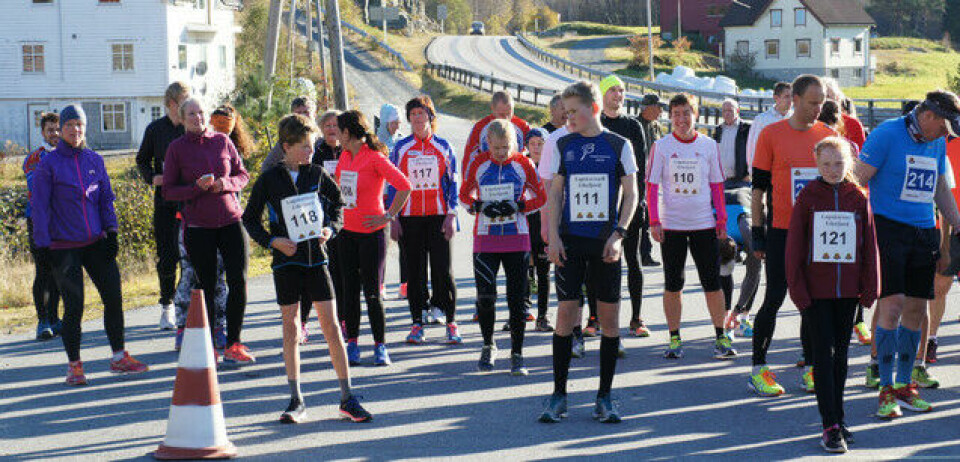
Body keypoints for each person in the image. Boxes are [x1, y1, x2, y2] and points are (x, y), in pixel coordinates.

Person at [243, 113, 371, 424]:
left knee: (331, 327)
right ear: (286, 147)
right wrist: (273, 241)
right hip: (286, 263)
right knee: (291, 329)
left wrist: (331, 229)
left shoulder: (317, 174)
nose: (310, 152)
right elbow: (249, 218)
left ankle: (347, 396)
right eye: (304, 146)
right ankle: (296, 399)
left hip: (317, 261)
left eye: (312, 146)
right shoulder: (270, 179)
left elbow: (339, 205)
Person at [853, 90, 960, 418]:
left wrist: (958, 224)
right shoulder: (887, 134)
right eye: (944, 127)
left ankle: (904, 385)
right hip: (888, 229)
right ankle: (885, 388)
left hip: (924, 230)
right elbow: (857, 181)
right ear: (928, 115)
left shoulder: (937, 141)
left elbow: (940, 187)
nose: (947, 134)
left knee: (916, 310)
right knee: (893, 307)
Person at [539, 81, 638, 424]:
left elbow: (631, 193)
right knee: (566, 314)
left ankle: (604, 396)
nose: (568, 119)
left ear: (592, 108)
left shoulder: (618, 144)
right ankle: (558, 395)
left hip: (605, 243)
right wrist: (553, 237)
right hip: (571, 241)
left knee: (609, 321)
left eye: (573, 113)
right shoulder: (562, 144)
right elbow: (554, 194)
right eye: (564, 114)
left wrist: (619, 234)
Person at [31, 104, 149, 385]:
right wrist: (43, 246)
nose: (75, 130)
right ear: (61, 130)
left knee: (114, 297)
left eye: (80, 124)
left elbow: (106, 198)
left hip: (96, 241)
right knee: (75, 306)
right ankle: (75, 366)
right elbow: (39, 207)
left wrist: (112, 230)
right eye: (69, 124)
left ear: (86, 128)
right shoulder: (48, 164)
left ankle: (119, 356)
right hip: (63, 246)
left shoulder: (95, 160)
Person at [786, 137, 879, 453]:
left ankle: (839, 417)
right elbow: (794, 248)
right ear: (816, 164)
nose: (832, 169)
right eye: (826, 164)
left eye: (838, 163)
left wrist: (870, 288)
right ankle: (829, 425)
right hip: (816, 293)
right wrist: (798, 290)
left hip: (847, 293)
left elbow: (869, 244)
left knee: (841, 357)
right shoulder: (808, 197)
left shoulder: (857, 197)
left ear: (849, 164)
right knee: (822, 357)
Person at [749, 75, 835, 396]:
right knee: (774, 298)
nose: (818, 108)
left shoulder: (826, 136)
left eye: (822, 102)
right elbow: (757, 190)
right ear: (795, 99)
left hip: (817, 233)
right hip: (782, 231)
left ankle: (811, 368)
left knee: (811, 302)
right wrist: (758, 233)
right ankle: (758, 369)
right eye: (813, 102)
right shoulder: (771, 135)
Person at [163, 98, 252, 364]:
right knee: (208, 286)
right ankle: (210, 346)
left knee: (238, 281)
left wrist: (225, 183)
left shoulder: (223, 141)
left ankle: (234, 343)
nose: (197, 117)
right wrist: (195, 188)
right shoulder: (176, 149)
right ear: (181, 118)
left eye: (201, 112)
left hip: (230, 220)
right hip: (198, 226)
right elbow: (168, 190)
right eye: (191, 113)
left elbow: (243, 175)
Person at [647, 93, 732, 360]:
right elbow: (652, 187)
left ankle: (721, 336)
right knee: (673, 284)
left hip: (703, 224)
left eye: (686, 113)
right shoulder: (661, 146)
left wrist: (721, 220)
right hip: (672, 225)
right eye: (676, 114)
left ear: (695, 115)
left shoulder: (709, 145)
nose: (681, 119)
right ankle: (674, 338)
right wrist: (654, 220)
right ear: (670, 117)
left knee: (712, 282)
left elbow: (717, 185)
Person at [460, 119, 547, 375]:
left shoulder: (523, 163)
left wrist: (519, 207)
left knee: (516, 300)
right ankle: (488, 344)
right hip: (485, 239)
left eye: (506, 147)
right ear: (488, 143)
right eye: (496, 148)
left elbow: (541, 197)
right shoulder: (479, 163)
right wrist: (477, 206)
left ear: (515, 144)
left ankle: (517, 353)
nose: (501, 153)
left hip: (516, 238)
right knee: (486, 298)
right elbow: (464, 195)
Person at [335, 110, 411, 366]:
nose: (336, 134)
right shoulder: (344, 156)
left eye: (338, 130)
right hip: (346, 233)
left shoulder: (375, 157)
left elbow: (404, 185)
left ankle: (380, 346)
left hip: (372, 233)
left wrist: (388, 215)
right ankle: (353, 344)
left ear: (348, 133)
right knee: (349, 291)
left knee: (372, 292)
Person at [388, 96, 459, 345]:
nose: (418, 118)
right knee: (415, 273)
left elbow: (453, 183)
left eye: (422, 113)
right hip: (410, 218)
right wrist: (392, 217)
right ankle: (417, 323)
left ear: (431, 116)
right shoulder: (400, 148)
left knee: (443, 271)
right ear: (409, 119)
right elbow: (392, 185)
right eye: (413, 114)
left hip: (438, 216)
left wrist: (451, 214)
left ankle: (451, 322)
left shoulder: (444, 146)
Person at [817, 100, 873, 347]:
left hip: (845, 212)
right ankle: (858, 322)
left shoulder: (846, 145)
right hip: (833, 216)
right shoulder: (821, 147)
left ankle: (854, 322)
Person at [598, 75, 650, 338]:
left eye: (621, 90)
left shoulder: (633, 126)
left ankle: (636, 317)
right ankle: (595, 319)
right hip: (600, 206)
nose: (618, 94)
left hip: (629, 205)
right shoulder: (597, 124)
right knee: (598, 263)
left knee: (634, 262)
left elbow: (640, 168)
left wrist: (640, 201)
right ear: (603, 95)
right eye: (612, 90)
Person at [136, 81, 190, 330]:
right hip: (166, 202)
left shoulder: (192, 128)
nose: (187, 107)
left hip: (192, 202)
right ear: (170, 104)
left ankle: (187, 304)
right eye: (183, 102)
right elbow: (142, 161)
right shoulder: (155, 129)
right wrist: (152, 178)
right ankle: (166, 306)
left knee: (190, 256)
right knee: (167, 256)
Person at [712, 99, 760, 337]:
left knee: (755, 259)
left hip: (743, 190)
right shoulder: (719, 130)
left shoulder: (745, 226)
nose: (727, 114)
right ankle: (726, 318)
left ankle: (742, 314)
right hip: (723, 193)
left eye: (731, 110)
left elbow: (756, 264)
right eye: (725, 111)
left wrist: (741, 308)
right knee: (723, 271)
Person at [23, 112, 62, 341]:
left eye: (57, 129)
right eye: (50, 130)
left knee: (60, 271)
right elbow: (37, 187)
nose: (55, 134)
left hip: (62, 221)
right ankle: (43, 320)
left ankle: (56, 319)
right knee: (43, 270)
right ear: (42, 132)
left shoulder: (68, 155)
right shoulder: (34, 158)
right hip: (38, 220)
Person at [524, 128, 554, 332]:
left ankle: (543, 316)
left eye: (540, 143)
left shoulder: (553, 167)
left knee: (543, 273)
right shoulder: (520, 165)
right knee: (522, 272)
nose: (536, 147)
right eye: (532, 143)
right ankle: (521, 311)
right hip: (523, 224)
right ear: (526, 146)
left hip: (544, 226)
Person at [463, 91, 531, 177]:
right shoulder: (480, 127)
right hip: (487, 177)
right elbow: (469, 157)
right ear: (493, 109)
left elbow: (535, 154)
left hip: (514, 177)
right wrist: (467, 183)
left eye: (509, 113)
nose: (506, 118)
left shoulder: (523, 127)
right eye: (502, 114)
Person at [637, 94, 665, 267]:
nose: (661, 111)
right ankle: (641, 253)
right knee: (640, 218)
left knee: (647, 217)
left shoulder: (656, 127)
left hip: (652, 180)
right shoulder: (635, 125)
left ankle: (645, 254)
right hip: (637, 178)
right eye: (658, 106)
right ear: (648, 108)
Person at [746, 82, 793, 167]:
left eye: (792, 96)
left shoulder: (796, 119)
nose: (790, 100)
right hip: (767, 172)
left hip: (789, 172)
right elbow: (753, 148)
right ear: (776, 98)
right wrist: (754, 173)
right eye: (786, 97)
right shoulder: (762, 120)